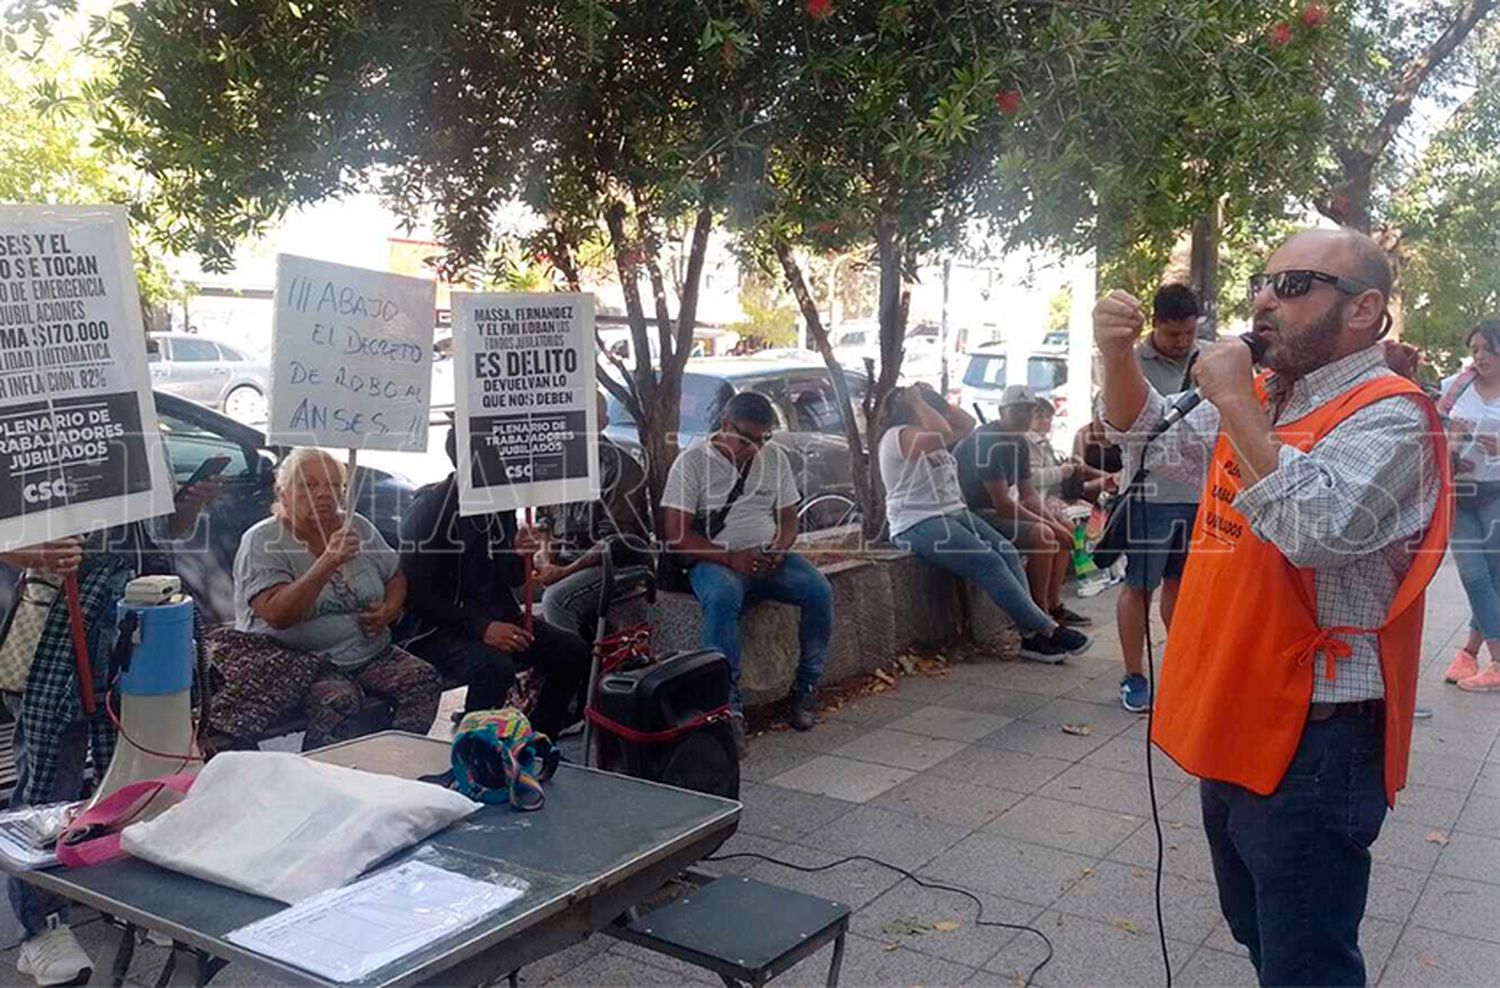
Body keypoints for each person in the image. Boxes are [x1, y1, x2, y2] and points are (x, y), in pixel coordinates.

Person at [1096, 227, 1448, 987]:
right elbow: (1144, 434)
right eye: (1264, 280)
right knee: (1253, 925)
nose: (1265, 299)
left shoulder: (1393, 415)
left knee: (1307, 962)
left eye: (1294, 285)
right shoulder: (1263, 395)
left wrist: (1230, 399)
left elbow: (1314, 529)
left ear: (1364, 310)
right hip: (1240, 708)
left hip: (1317, 743)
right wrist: (1117, 356)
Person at [4, 475, 221, 986]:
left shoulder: (140, 425)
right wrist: (28, 551)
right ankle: (40, 928)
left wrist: (186, 506)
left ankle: (130, 904)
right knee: (50, 775)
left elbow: (161, 529)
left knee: (138, 772)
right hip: (62, 615)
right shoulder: (32, 421)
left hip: (138, 612)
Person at [661, 391, 832, 751]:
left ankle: (806, 687)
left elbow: (788, 520)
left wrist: (780, 549)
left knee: (818, 590)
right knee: (722, 599)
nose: (754, 447)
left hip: (765, 557)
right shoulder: (692, 463)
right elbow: (677, 534)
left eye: (763, 438)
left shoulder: (774, 459)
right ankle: (727, 708)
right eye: (747, 438)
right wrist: (731, 558)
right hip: (716, 561)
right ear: (725, 425)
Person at [234, 448, 440, 747]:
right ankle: (326, 777)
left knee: (423, 680)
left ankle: (393, 764)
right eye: (309, 485)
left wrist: (390, 609)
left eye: (334, 485)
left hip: (366, 652)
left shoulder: (355, 525)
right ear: (283, 491)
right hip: (300, 663)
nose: (324, 494)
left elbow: (395, 574)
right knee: (339, 701)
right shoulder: (263, 540)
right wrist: (328, 561)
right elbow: (278, 615)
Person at [878, 381, 1091, 663]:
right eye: (933, 407)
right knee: (987, 562)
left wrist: (936, 400)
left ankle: (1030, 638)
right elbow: (943, 429)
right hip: (917, 520)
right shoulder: (898, 436)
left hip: (953, 512)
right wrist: (918, 401)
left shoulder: (935, 436)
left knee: (1007, 552)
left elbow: (964, 423)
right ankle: (1047, 628)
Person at [399, 429, 591, 737]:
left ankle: (537, 739)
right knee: (494, 667)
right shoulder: (431, 507)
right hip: (436, 628)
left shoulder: (500, 503)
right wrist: (482, 629)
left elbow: (511, 577)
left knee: (571, 650)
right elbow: (417, 596)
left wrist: (520, 555)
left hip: (495, 614)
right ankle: (474, 753)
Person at [1112, 284, 1206, 713]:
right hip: (1148, 495)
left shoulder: (1208, 359)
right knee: (1139, 586)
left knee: (1183, 588)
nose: (1182, 343)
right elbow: (1116, 420)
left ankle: (1184, 670)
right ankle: (1134, 676)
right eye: (1173, 335)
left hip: (1199, 496)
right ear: (1155, 324)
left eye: (1189, 333)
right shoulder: (1131, 363)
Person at [954, 385, 1090, 627]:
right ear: (1002, 411)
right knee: (1045, 534)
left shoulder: (1020, 442)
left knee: (1063, 527)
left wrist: (1055, 521)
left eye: (1029, 411)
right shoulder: (988, 441)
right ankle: (1037, 615)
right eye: (1018, 411)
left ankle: (1053, 605)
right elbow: (1003, 505)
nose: (1025, 417)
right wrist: (1051, 525)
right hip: (973, 514)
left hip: (997, 510)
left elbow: (1028, 495)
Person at [536, 392, 654, 638]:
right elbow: (545, 523)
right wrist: (547, 563)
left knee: (556, 600)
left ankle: (571, 671)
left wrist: (563, 572)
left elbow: (613, 542)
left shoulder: (620, 467)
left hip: (612, 564)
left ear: (603, 423)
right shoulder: (554, 462)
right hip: (567, 560)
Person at [1440, 319, 1500, 691]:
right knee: (1473, 575)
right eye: (1474, 349)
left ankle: (1468, 653)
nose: (1479, 357)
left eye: (1486, 350)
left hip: (1497, 492)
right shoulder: (1453, 388)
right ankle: (1498, 660)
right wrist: (1455, 443)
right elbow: (1429, 441)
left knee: (1493, 578)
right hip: (1459, 494)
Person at [1028, 401, 1115, 506]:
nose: (1046, 421)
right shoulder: (1030, 442)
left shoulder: (1043, 442)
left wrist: (1068, 465)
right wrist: (1062, 471)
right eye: (1040, 417)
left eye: (1049, 417)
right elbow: (1032, 476)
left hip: (1058, 495)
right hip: (1044, 499)